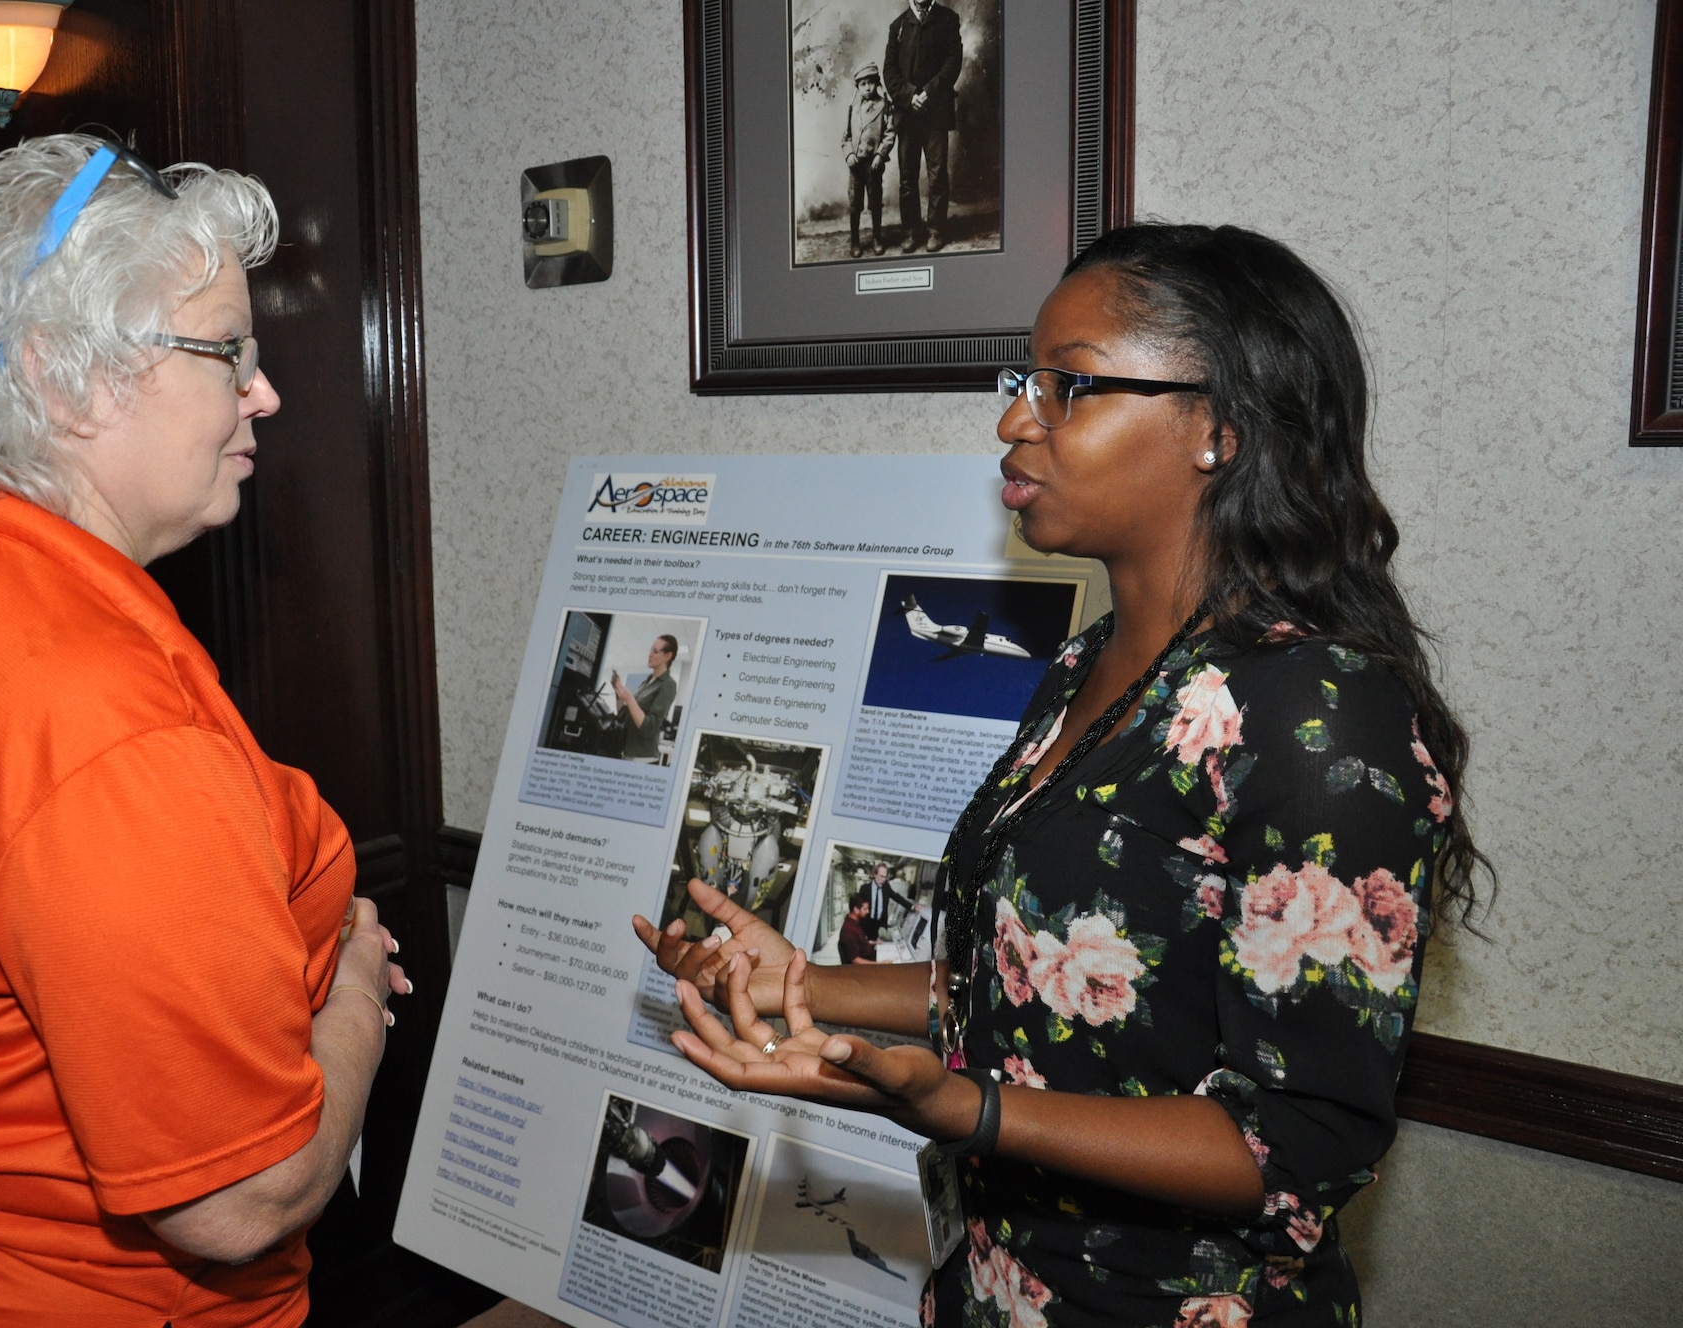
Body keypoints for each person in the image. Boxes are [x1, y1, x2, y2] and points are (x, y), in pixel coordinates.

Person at [636, 224, 1491, 1326]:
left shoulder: (1318, 717)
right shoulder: (1094, 661)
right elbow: (1044, 984)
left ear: (1219, 428)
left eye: (1066, 385)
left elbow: (1299, 1142)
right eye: (1020, 381)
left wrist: (969, 1109)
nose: (1011, 419)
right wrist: (798, 982)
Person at [0, 134, 408, 1328]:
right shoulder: (103, 724)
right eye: (227, 354)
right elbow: (241, 1197)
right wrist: (354, 991)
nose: (264, 391)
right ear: (64, 377)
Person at [883, 0, 963, 253]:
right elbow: (889, 71)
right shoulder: (897, 27)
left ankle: (936, 230)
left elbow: (953, 62)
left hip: (936, 113)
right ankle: (910, 231)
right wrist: (910, 96)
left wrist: (928, 93)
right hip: (908, 115)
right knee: (907, 177)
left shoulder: (948, 20)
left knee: (937, 175)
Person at [842, 62, 896, 258]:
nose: (867, 87)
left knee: (875, 202)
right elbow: (846, 137)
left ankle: (877, 237)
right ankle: (855, 240)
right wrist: (849, 154)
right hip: (856, 166)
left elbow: (890, 134)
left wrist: (880, 155)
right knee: (855, 204)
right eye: (862, 84)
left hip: (873, 165)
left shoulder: (885, 106)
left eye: (871, 83)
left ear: (877, 84)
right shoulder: (852, 109)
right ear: (857, 87)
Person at [612, 633, 679, 762]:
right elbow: (624, 715)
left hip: (642, 757)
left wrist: (630, 699)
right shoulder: (646, 682)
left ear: (668, 656)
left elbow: (648, 728)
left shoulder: (668, 685)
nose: (650, 654)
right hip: (627, 750)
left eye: (655, 651)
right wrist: (619, 693)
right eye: (650, 650)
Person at [836, 896, 879, 965]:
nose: (868, 911)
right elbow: (856, 961)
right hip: (862, 967)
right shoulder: (849, 930)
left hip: (867, 957)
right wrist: (881, 964)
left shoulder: (855, 923)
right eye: (865, 909)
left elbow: (858, 942)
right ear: (856, 909)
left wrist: (872, 942)